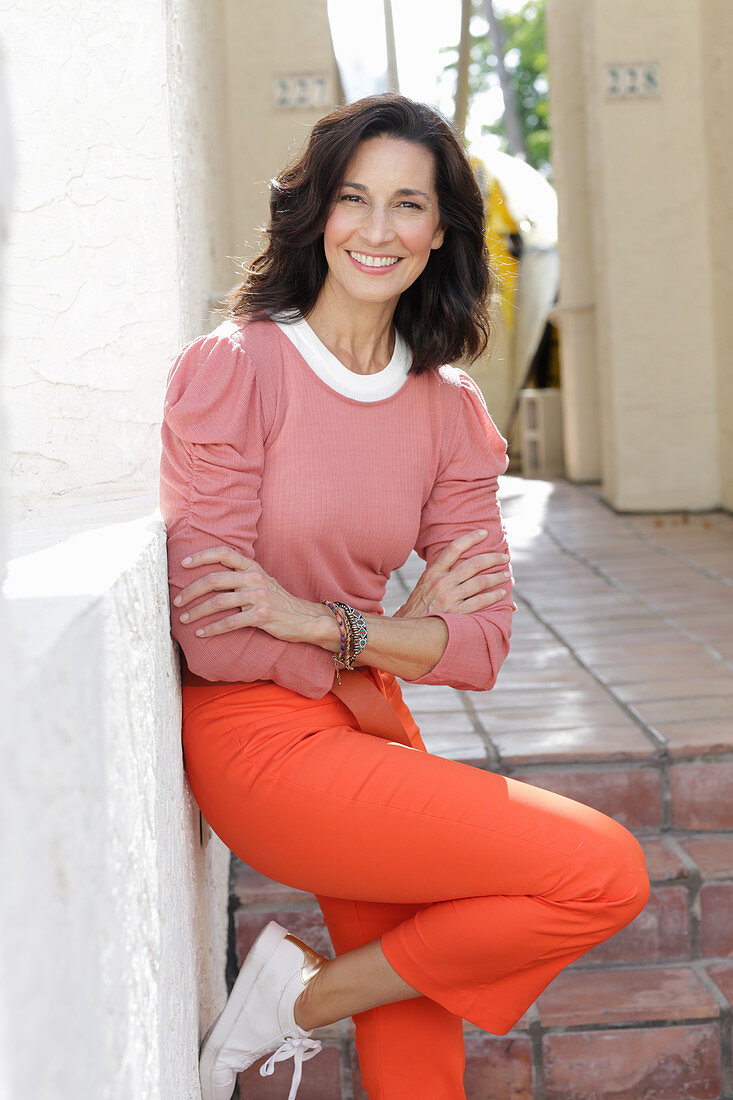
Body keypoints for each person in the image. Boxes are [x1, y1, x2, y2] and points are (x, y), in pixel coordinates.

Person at [159, 93, 649, 1100]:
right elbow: (213, 634)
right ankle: (294, 1001)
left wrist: (323, 622)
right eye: (354, 198)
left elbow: (480, 645)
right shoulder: (236, 369)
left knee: (416, 1027)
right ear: (316, 213)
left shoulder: (448, 409)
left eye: (407, 204)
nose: (377, 229)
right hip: (259, 744)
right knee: (601, 871)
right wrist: (386, 633)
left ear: (440, 232)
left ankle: (300, 998)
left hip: (367, 728)